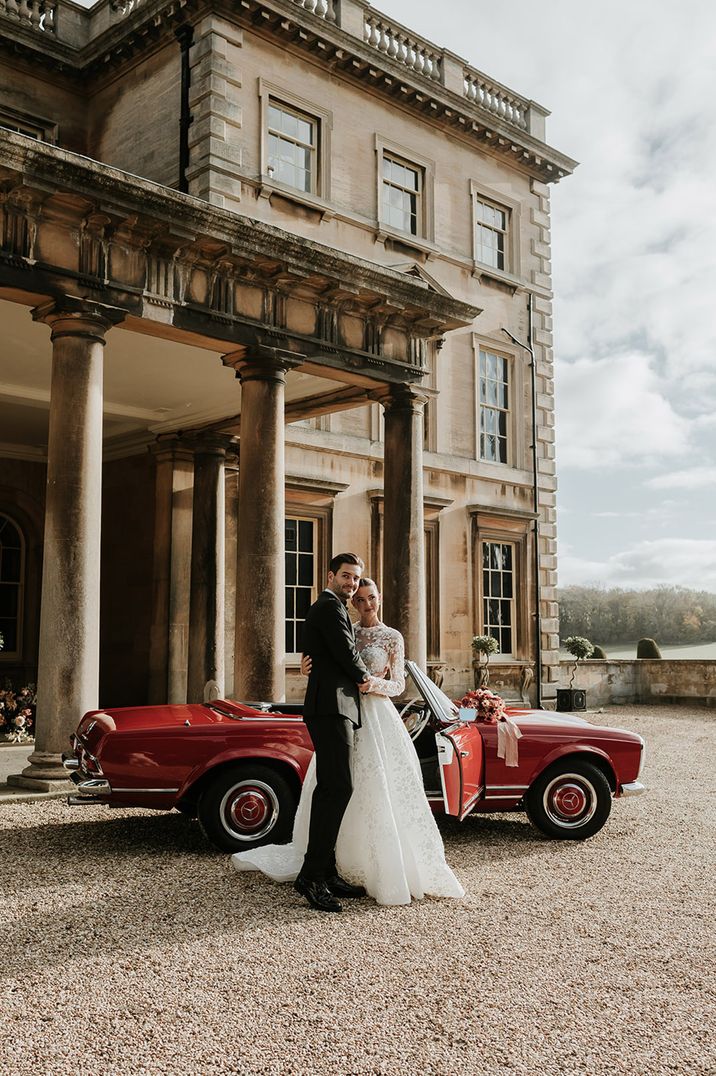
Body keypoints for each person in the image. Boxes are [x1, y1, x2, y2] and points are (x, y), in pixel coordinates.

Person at [231, 573, 464, 909]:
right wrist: (307, 666)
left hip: (376, 713)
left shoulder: (392, 637)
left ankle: (363, 865)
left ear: (380, 598)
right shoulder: (345, 629)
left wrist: (373, 685)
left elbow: (398, 684)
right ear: (353, 602)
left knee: (375, 787)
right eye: (361, 599)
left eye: (372, 597)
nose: (367, 604)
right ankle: (327, 868)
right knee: (339, 786)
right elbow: (329, 658)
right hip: (342, 712)